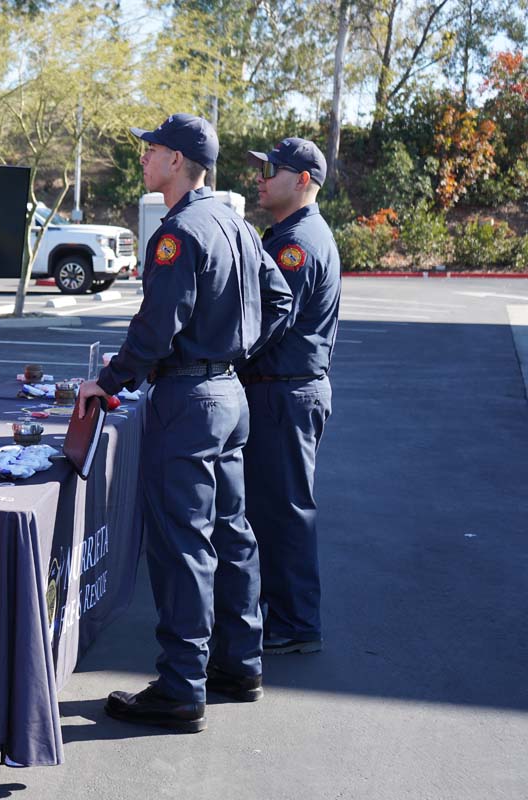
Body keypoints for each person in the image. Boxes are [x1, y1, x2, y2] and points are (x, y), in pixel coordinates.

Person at [76, 113, 292, 732]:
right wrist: (235, 349)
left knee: (182, 546)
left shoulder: (177, 233)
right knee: (231, 534)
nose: (143, 157)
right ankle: (239, 664)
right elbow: (278, 299)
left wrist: (109, 381)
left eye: (152, 149)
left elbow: (156, 328)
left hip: (189, 404)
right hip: (228, 396)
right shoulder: (235, 223)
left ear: (178, 161)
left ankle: (179, 687)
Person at [242, 138, 341, 655]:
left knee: (285, 511)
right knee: (275, 508)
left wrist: (216, 357)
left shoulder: (296, 244)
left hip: (284, 392)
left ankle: (296, 623)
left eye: (271, 170)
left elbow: (267, 322)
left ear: (302, 180)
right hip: (285, 391)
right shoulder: (289, 234)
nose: (260, 178)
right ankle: (288, 617)